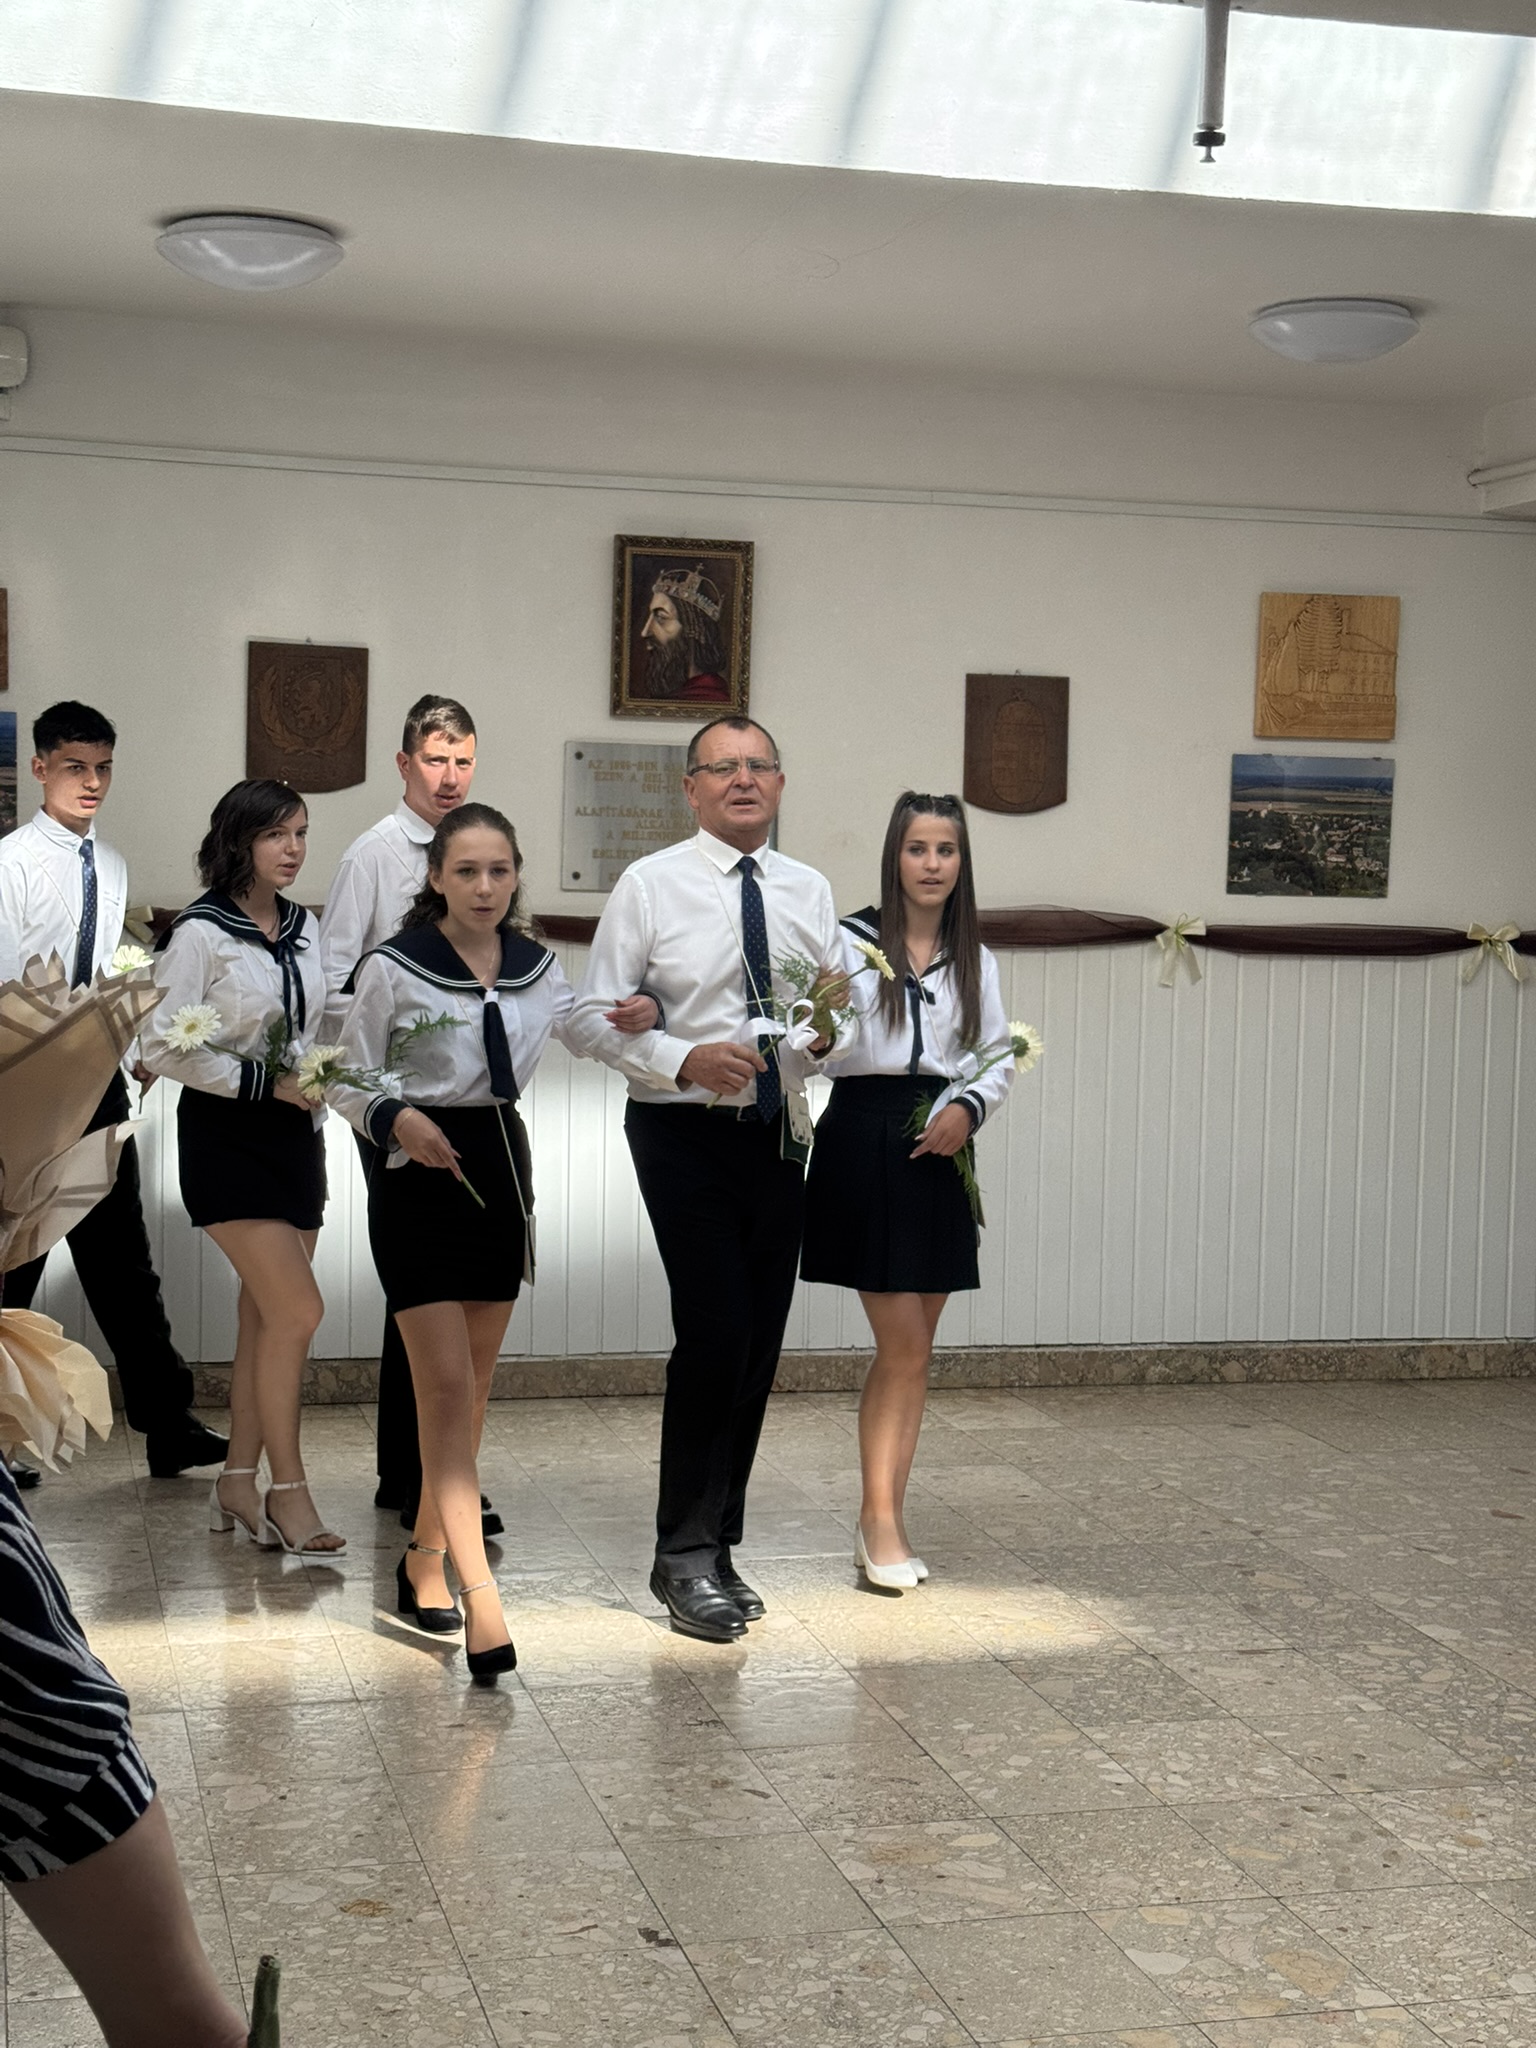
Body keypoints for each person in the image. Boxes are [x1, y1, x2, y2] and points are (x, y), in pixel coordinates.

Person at [568, 715, 845, 1643]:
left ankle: (720, 1546)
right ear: (690, 789)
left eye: (759, 765)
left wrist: (828, 1036)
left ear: (781, 783)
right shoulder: (650, 885)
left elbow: (830, 1015)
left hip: (782, 1131)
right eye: (723, 768)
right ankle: (681, 1554)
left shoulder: (809, 889)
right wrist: (682, 1057)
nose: (743, 780)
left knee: (758, 1342)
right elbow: (591, 1020)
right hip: (682, 1133)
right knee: (716, 1331)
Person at [328, 805, 585, 1681]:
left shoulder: (537, 967)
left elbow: (593, 1029)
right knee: (441, 1389)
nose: (484, 887)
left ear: (516, 878)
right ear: (436, 876)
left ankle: (426, 1559)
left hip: (499, 1168)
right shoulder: (394, 965)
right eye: (466, 871)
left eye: (499, 871)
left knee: (469, 1396)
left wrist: (672, 1041)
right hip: (416, 1170)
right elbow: (346, 1075)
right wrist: (395, 1117)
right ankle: (483, 1599)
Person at [0, 701, 226, 1480]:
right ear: (41, 769)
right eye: (74, 766)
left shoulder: (114, 863)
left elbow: (102, 974)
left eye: (102, 768)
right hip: (25, 1086)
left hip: (94, 1082)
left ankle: (167, 1422)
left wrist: (129, 1044)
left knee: (121, 1257)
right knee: (13, 1264)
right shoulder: (10, 864)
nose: (91, 781)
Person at [801, 792, 1014, 1591]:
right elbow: (814, 1049)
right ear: (895, 857)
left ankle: (884, 1515)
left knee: (917, 1351)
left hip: (942, 1144)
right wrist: (819, 1025)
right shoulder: (850, 942)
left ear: (962, 862)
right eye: (917, 848)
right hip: (865, 1136)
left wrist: (969, 1108)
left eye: (945, 850)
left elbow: (996, 1056)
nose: (931, 864)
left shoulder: (975, 957)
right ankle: (879, 1521)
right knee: (904, 1346)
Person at [142, 779, 342, 1557]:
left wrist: (324, 1074)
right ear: (239, 841)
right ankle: (288, 1491)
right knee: (298, 1312)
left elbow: (316, 1022)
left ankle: (235, 1479)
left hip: (296, 1137)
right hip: (227, 1137)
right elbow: (160, 1045)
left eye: (301, 832)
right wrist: (264, 1083)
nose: (293, 848)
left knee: (266, 1320)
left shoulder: (304, 926)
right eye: (276, 834)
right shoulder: (200, 933)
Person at [318, 695, 501, 1534]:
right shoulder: (375, 854)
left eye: (462, 760)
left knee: (454, 1289)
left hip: (470, 1100)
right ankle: (415, 1473)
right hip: (394, 1098)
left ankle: (434, 1475)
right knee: (420, 1281)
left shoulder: (477, 851)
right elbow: (332, 976)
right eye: (435, 759)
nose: (450, 775)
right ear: (404, 765)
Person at [638, 568, 731, 703]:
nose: (645, 632)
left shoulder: (713, 698)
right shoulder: (672, 694)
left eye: (661, 617)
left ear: (695, 628)